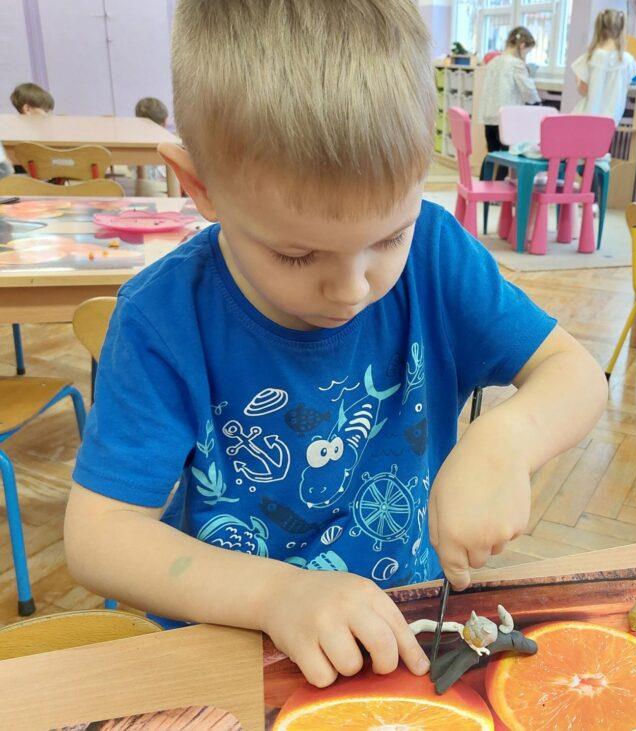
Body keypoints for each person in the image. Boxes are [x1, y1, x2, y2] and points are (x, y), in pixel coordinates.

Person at [63, 0, 607, 690]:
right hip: (234, 655)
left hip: (405, 641)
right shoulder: (163, 319)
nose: (353, 288)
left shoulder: (436, 256)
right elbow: (99, 534)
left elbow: (575, 373)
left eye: (389, 236)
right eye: (297, 254)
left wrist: (508, 440)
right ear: (200, 186)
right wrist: (273, 594)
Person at [477, 26, 542, 180]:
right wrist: (537, 103)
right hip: (507, 119)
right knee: (507, 158)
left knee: (492, 154)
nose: (526, 56)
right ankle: (499, 188)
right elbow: (528, 90)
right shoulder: (516, 64)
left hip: (489, 116)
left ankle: (486, 185)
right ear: (522, 46)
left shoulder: (494, 61)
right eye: (527, 52)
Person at [570, 9, 636, 126]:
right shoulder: (628, 61)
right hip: (609, 123)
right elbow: (624, 89)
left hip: (584, 120)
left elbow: (583, 90)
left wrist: (578, 82)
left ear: (599, 29)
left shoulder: (592, 57)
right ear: (622, 30)